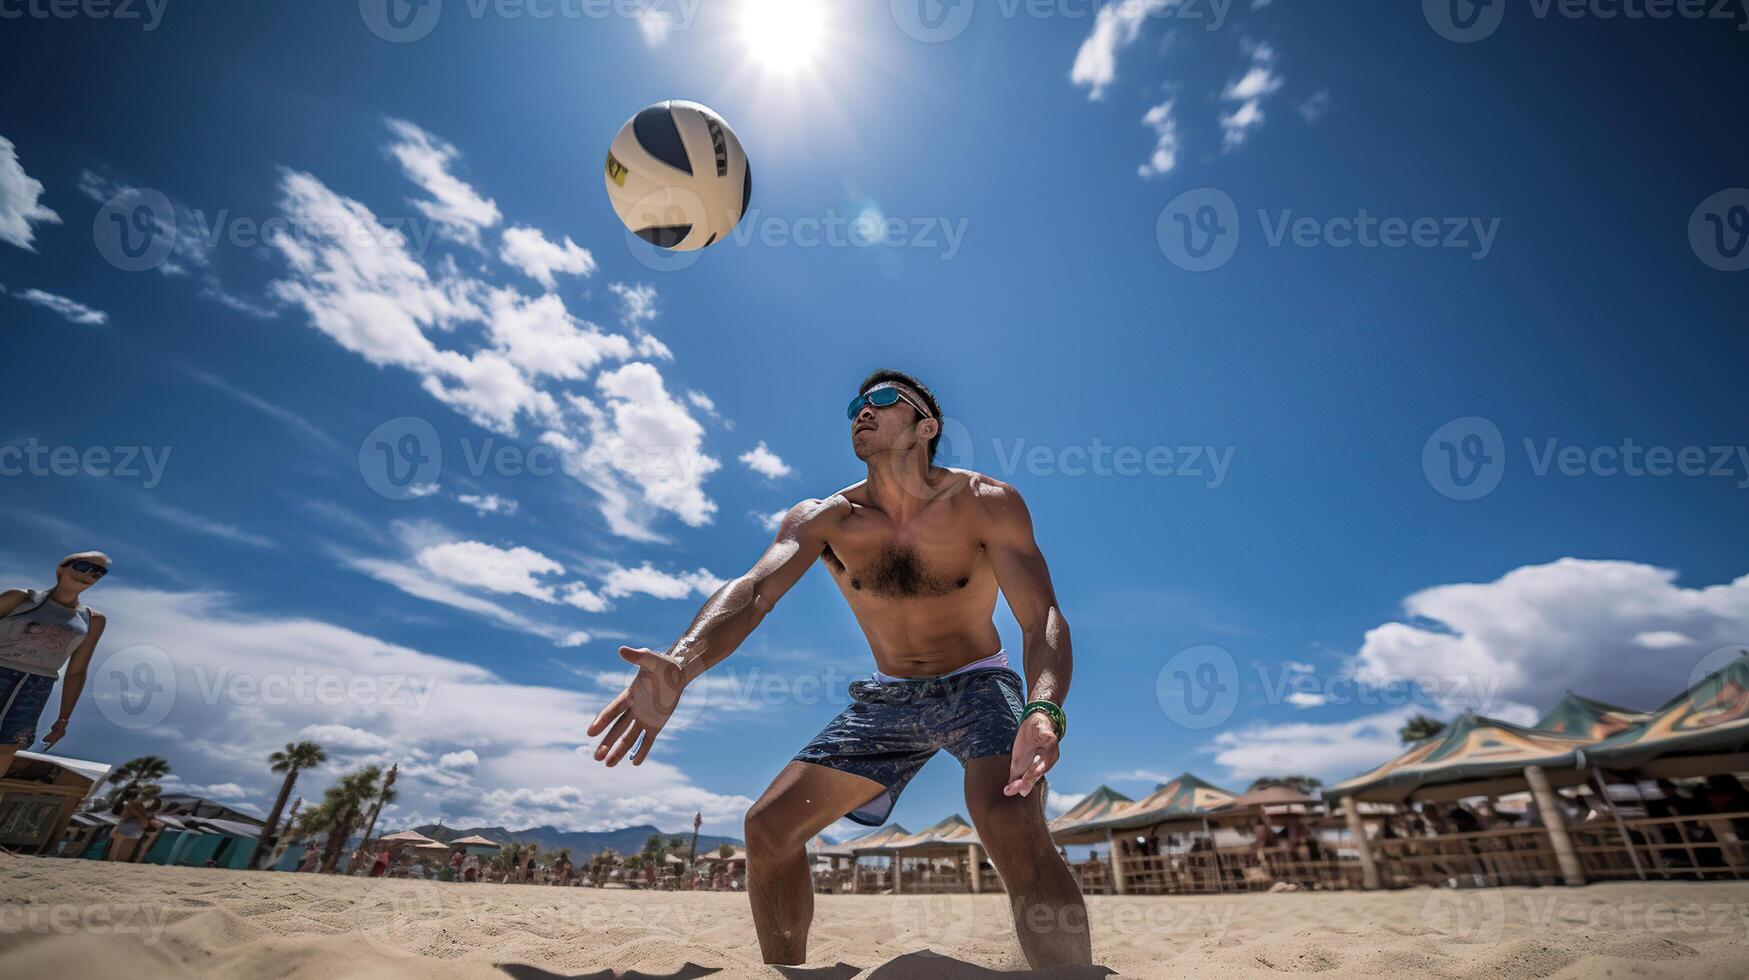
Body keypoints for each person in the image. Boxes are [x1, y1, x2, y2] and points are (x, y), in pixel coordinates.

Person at [587, 370, 1085, 969]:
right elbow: (754, 592)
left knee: (1008, 817)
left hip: (977, 682)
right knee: (768, 830)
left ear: (926, 426)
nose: (861, 411)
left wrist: (1044, 706)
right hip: (888, 698)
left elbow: (1042, 616)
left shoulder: (984, 503)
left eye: (880, 401)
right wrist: (683, 661)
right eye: (855, 404)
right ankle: (786, 971)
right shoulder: (826, 518)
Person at [0, 553, 110, 777]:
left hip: (37, 686)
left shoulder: (92, 620)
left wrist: (63, 719)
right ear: (62, 568)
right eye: (84, 566)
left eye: (98, 572)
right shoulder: (20, 598)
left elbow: (76, 671)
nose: (90, 573)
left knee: (7, 748)